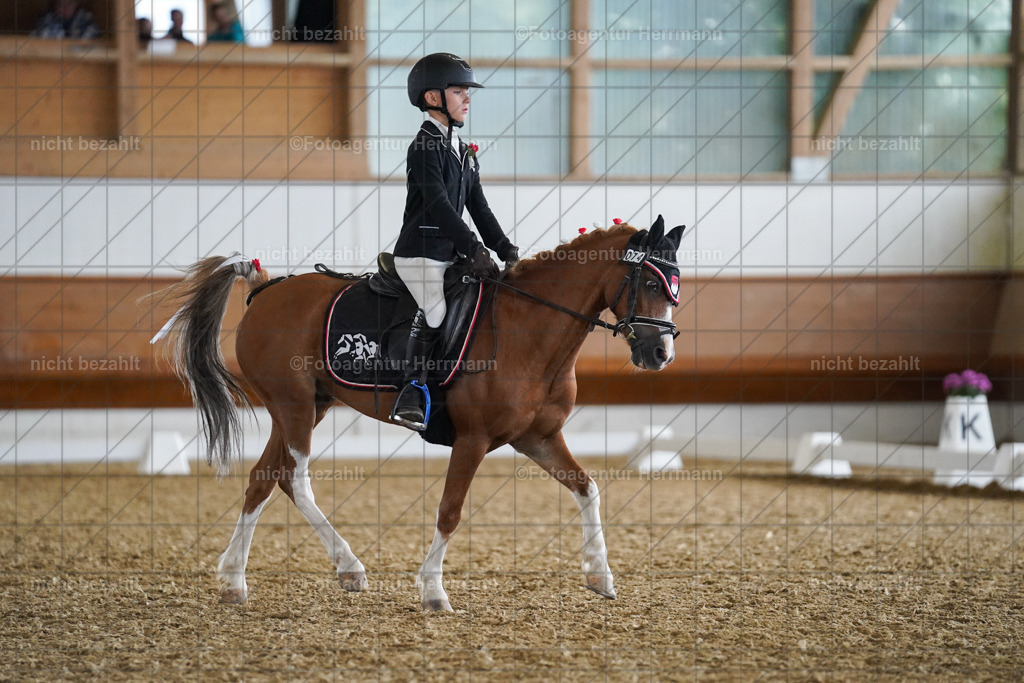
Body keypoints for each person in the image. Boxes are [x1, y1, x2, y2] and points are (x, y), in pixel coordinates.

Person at [389, 52, 519, 431]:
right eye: (459, 91)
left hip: (450, 253)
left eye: (467, 92)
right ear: (433, 99)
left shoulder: (463, 151)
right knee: (437, 313)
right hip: (422, 254)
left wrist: (503, 247)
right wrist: (472, 247)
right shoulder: (424, 147)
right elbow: (441, 207)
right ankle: (412, 391)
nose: (467, 99)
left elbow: (478, 206)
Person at [32, 0, 100, 39]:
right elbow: (40, 39)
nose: (64, 8)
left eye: (69, 4)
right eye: (59, 4)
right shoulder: (48, 18)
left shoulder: (85, 18)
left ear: (76, 3)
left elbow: (91, 42)